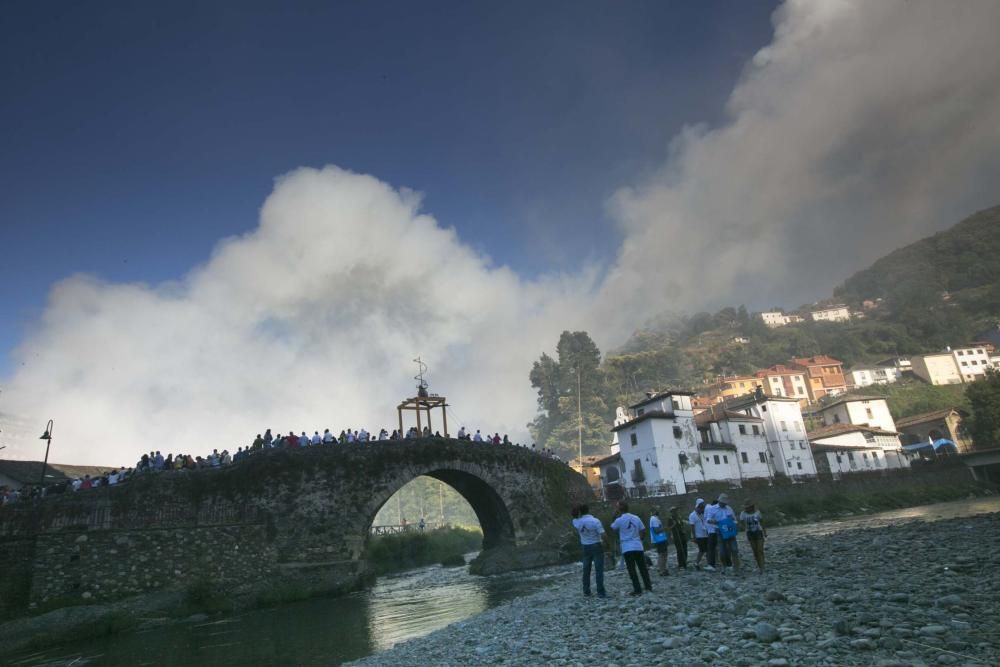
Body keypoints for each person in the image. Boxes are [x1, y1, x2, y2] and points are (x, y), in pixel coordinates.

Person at [610, 501, 652, 596]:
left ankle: (637, 589)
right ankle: (648, 586)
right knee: (642, 567)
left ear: (619, 509)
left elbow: (613, 527)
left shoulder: (619, 520)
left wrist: (614, 515)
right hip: (637, 545)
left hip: (627, 547)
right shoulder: (636, 518)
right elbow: (643, 530)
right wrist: (639, 539)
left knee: (631, 569)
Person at [572, 504, 607, 598]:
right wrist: (607, 544)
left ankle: (586, 591)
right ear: (588, 510)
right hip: (596, 545)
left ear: (580, 512)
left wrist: (576, 512)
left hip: (585, 547)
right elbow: (603, 535)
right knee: (599, 569)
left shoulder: (576, 522)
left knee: (586, 570)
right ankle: (600, 592)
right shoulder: (595, 521)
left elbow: (574, 517)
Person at [714, 493, 741, 575]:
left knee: (734, 549)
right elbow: (708, 520)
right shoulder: (713, 509)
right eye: (723, 502)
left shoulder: (729, 509)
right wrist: (716, 522)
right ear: (719, 501)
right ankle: (724, 567)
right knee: (722, 551)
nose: (724, 504)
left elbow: (734, 520)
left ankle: (736, 568)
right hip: (720, 531)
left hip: (730, 530)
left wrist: (734, 522)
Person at [740, 500, 766, 573]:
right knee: (755, 551)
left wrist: (765, 532)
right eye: (745, 507)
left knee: (760, 550)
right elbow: (741, 522)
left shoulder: (757, 512)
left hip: (758, 532)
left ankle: (762, 567)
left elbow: (762, 522)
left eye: (747, 507)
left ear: (751, 507)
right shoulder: (743, 514)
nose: (746, 509)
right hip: (750, 533)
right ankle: (760, 565)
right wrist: (744, 528)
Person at [689, 499, 712, 571]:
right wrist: (694, 537)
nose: (702, 509)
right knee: (702, 550)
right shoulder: (692, 515)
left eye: (703, 508)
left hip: (706, 534)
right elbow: (692, 527)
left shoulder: (703, 514)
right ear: (697, 507)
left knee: (708, 550)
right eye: (701, 508)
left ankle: (709, 563)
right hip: (699, 536)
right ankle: (696, 563)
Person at [666, 506, 689, 570]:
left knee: (685, 549)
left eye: (676, 510)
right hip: (676, 536)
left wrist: (683, 529)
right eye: (673, 511)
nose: (675, 512)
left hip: (682, 535)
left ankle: (685, 562)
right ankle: (680, 564)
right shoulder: (670, 519)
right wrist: (674, 525)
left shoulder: (679, 517)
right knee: (679, 550)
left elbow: (682, 525)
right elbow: (669, 528)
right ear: (671, 512)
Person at [648, 509, 670, 576]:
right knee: (662, 554)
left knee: (664, 554)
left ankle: (663, 568)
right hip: (659, 539)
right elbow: (656, 530)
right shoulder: (654, 519)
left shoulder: (656, 519)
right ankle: (661, 570)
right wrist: (665, 528)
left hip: (661, 538)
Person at [704, 498, 720, 570]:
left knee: (711, 548)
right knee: (717, 548)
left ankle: (711, 565)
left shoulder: (708, 508)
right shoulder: (711, 508)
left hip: (712, 531)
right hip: (716, 531)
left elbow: (707, 520)